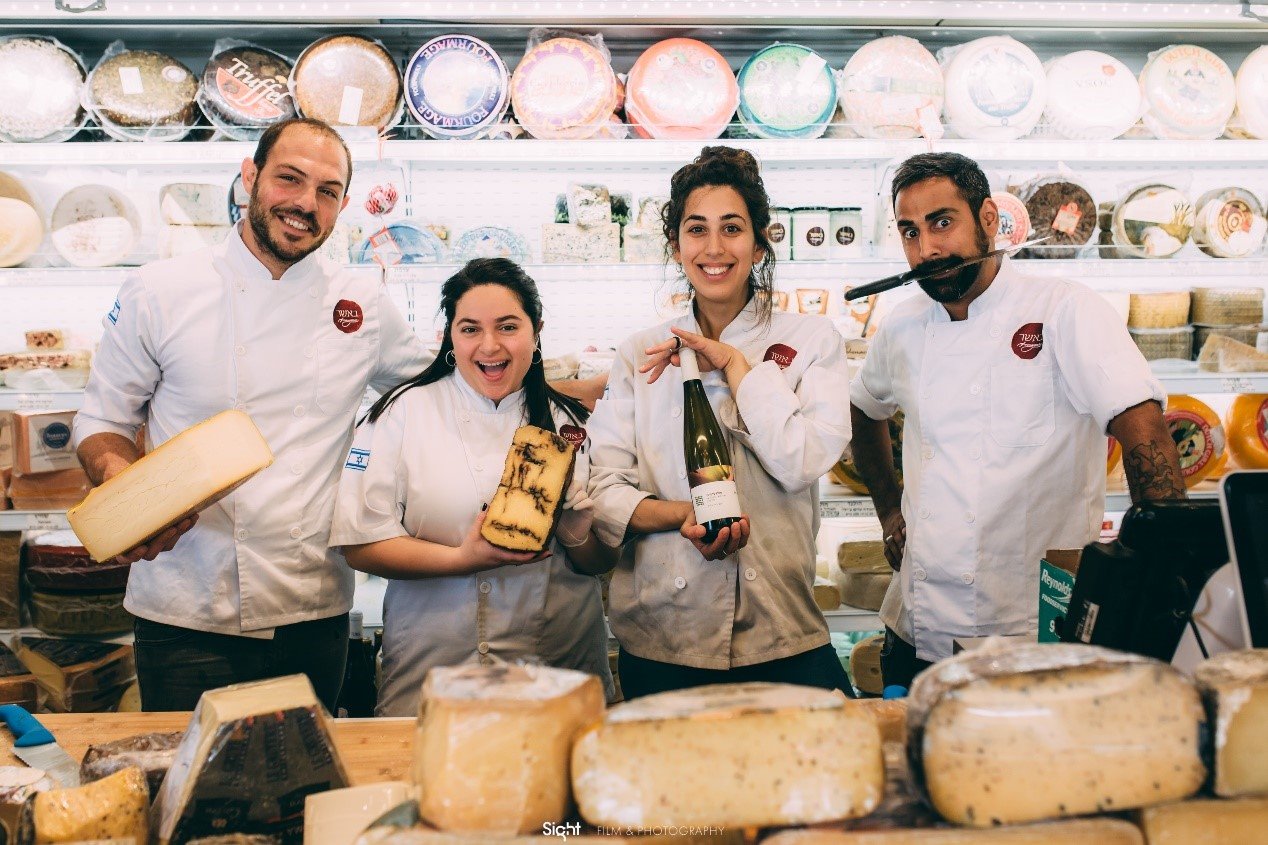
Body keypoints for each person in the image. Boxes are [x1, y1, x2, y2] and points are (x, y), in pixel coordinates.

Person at [71, 117, 602, 711]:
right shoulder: (158, 291)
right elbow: (101, 423)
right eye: (288, 180)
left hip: (311, 606)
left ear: (343, 204)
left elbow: (463, 371)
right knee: (186, 791)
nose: (305, 204)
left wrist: (608, 386)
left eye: (326, 192)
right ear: (249, 177)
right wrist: (131, 496)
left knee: (304, 790)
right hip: (186, 602)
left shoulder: (361, 302)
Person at [849, 152, 1186, 689]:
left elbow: (1141, 428)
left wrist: (1165, 578)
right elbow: (865, 409)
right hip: (917, 631)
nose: (927, 248)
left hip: (1032, 638)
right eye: (909, 232)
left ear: (987, 220)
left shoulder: (1064, 310)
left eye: (942, 222)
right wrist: (890, 510)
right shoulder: (902, 325)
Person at [587, 146, 854, 699]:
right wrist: (680, 514)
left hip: (784, 630)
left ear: (760, 242)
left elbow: (800, 462)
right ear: (675, 244)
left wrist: (735, 365)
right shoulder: (642, 351)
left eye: (732, 229)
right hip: (664, 634)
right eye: (696, 229)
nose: (713, 248)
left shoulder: (811, 341)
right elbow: (603, 488)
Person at [329, 258, 616, 716]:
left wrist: (577, 534)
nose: (489, 346)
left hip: (557, 670)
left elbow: (604, 562)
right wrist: (461, 560)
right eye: (469, 329)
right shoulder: (402, 413)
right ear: (451, 337)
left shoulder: (577, 424)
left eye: (507, 327)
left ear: (536, 331)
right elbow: (361, 546)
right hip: (433, 670)